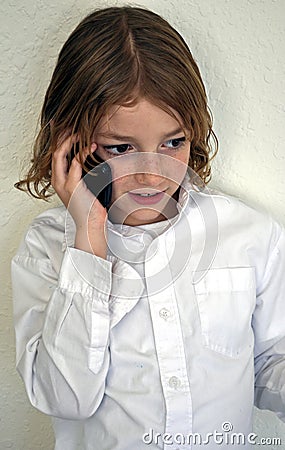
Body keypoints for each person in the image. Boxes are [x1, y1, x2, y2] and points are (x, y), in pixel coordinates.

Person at [11, 6, 285, 450]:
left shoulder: (249, 235)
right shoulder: (47, 248)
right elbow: (65, 399)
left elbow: (269, 363)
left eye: (173, 142)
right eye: (122, 147)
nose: (153, 174)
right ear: (74, 144)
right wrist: (89, 240)